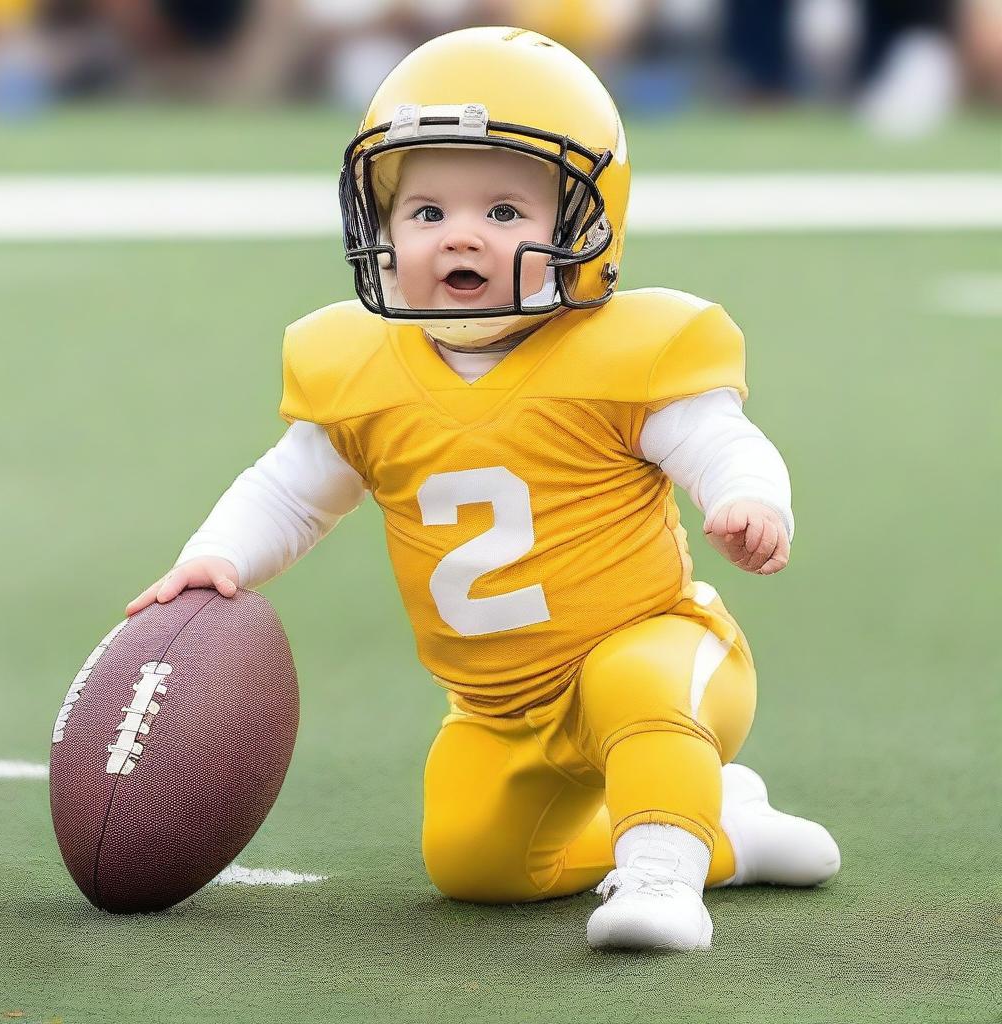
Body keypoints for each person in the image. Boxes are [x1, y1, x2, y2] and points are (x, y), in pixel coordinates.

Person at [127, 26, 840, 953]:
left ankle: (664, 880)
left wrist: (749, 499)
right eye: (426, 213)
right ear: (379, 226)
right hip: (498, 707)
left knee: (636, 686)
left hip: (660, 649)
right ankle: (724, 837)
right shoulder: (359, 367)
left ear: (585, 221)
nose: (460, 233)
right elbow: (293, 491)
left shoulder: (625, 352)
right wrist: (214, 558)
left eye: (504, 212)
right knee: (478, 867)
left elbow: (718, 439)